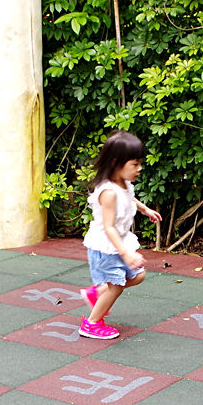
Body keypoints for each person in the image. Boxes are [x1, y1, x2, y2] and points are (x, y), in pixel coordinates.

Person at [79, 129, 161, 339]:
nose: (139, 168)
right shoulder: (108, 193)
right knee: (116, 287)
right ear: (116, 163)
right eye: (135, 164)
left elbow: (130, 198)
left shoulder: (122, 184)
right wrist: (126, 254)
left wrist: (145, 209)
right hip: (107, 246)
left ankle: (96, 294)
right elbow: (109, 227)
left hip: (118, 242)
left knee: (138, 275)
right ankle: (91, 323)